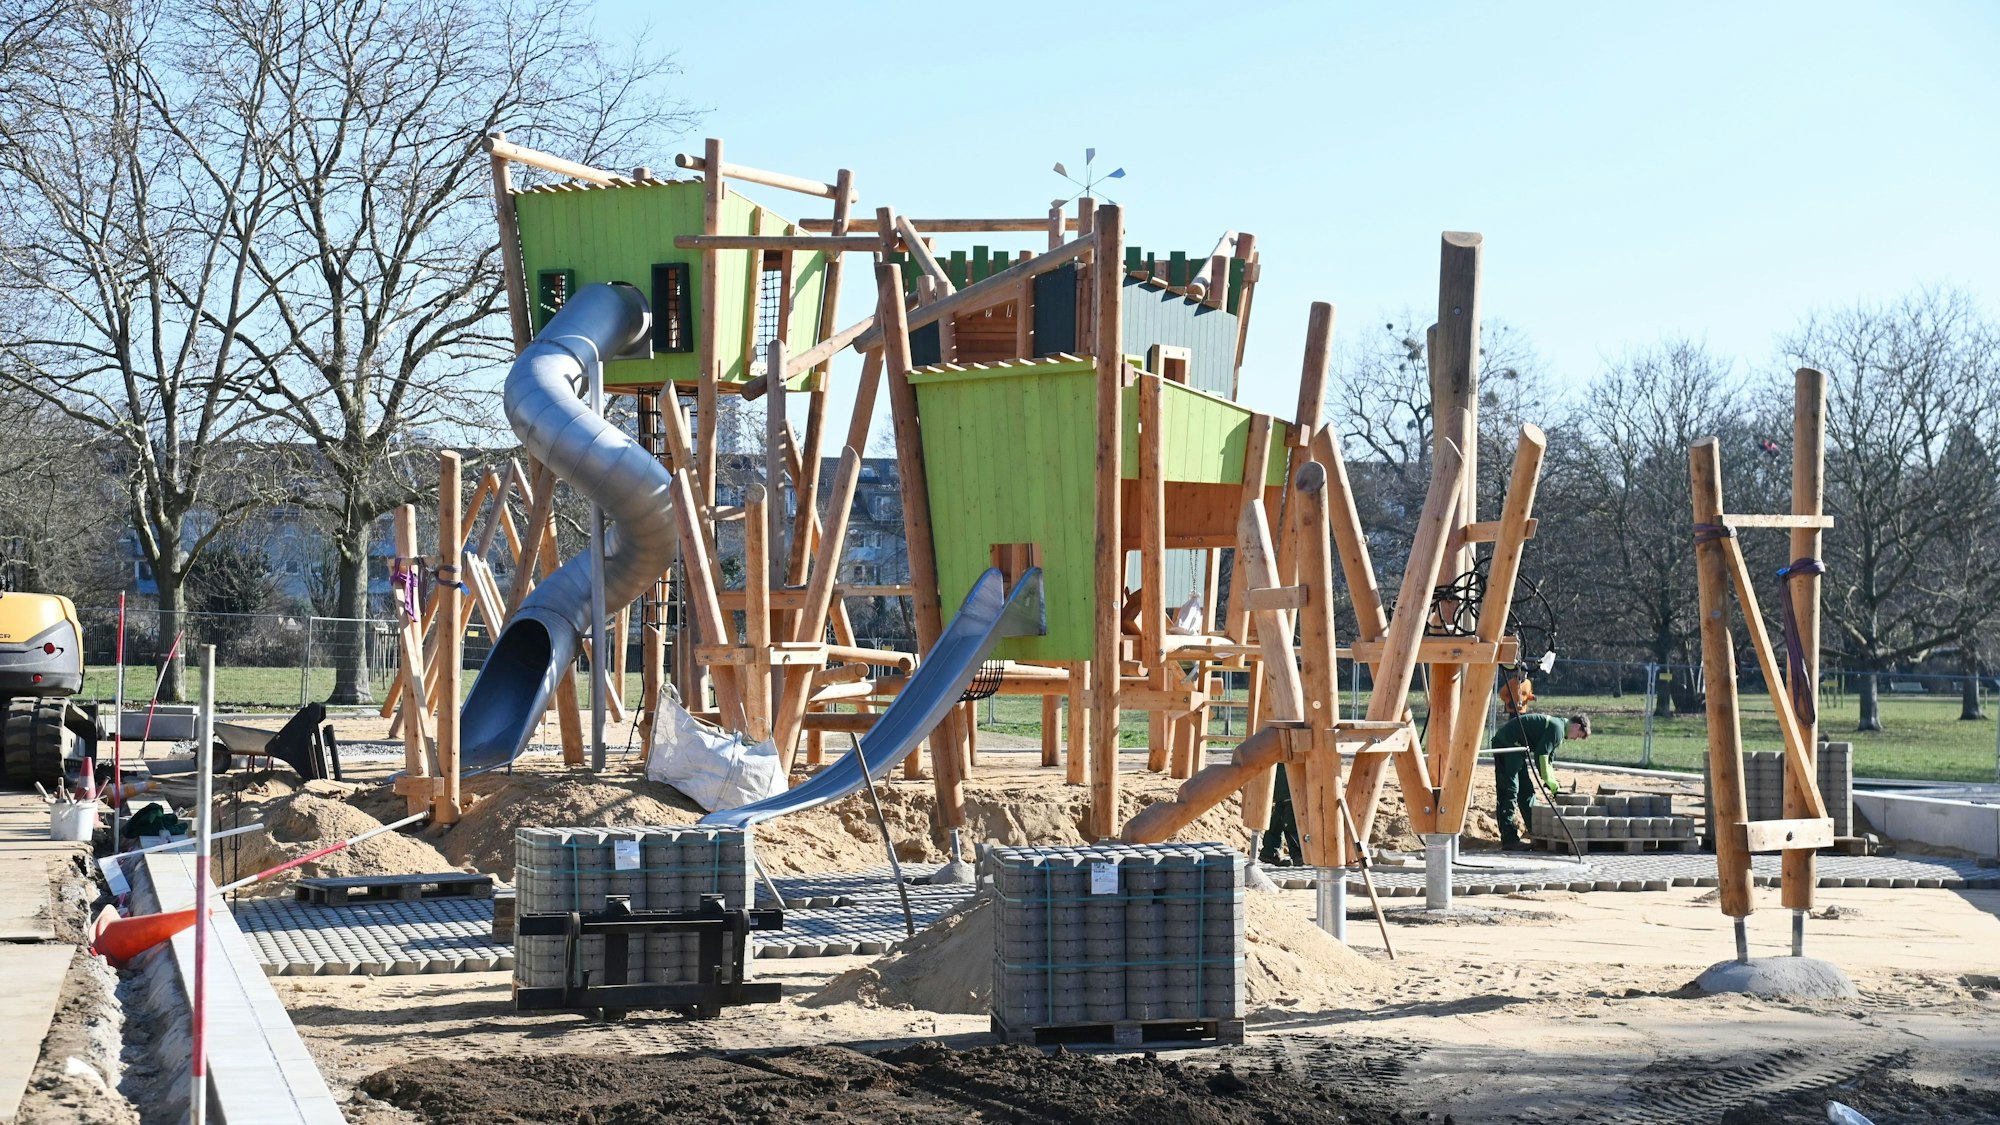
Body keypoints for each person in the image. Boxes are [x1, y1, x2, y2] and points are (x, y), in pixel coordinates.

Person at [1493, 712, 1589, 851]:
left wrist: (1554, 785)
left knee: (1526, 791)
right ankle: (1509, 839)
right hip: (1507, 744)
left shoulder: (1559, 729)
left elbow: (1548, 760)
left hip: (1517, 748)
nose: (1575, 739)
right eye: (1578, 736)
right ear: (1576, 726)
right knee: (1510, 790)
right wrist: (1551, 784)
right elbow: (1541, 756)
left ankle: (1536, 831)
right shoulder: (1557, 728)